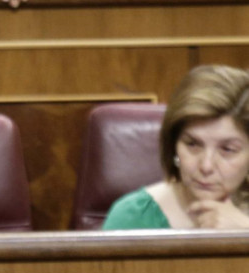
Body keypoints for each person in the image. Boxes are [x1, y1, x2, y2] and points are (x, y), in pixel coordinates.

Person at [103, 64, 249, 230]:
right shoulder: (132, 217)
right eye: (193, 144)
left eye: (227, 149)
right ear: (173, 145)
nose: (206, 166)